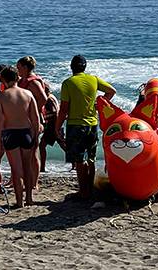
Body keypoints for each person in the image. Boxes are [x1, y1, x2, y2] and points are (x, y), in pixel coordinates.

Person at [55, 54, 116, 200]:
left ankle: (84, 192)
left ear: (71, 67)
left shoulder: (68, 83)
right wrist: (98, 103)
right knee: (91, 158)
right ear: (85, 67)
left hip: (76, 126)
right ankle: (90, 189)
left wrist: (57, 127)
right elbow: (111, 91)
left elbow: (63, 109)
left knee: (79, 160)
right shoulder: (93, 79)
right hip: (93, 125)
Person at [0, 66, 41, 208]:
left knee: (16, 169)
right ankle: (29, 199)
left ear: (3, 79)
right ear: (17, 78)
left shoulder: (1, 96)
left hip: (10, 134)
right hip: (26, 132)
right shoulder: (27, 94)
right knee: (27, 167)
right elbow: (36, 118)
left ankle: (19, 202)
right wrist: (35, 135)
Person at [16, 56, 47, 184]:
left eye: (19, 67)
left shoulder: (33, 82)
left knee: (34, 151)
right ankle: (26, 180)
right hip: (23, 120)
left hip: (33, 119)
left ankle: (34, 183)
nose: (17, 70)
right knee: (24, 152)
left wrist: (33, 111)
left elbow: (43, 98)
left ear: (25, 67)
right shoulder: (22, 80)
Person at [39, 83, 62, 172]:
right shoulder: (51, 97)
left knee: (42, 146)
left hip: (53, 125)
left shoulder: (49, 99)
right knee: (63, 144)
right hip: (54, 125)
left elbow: (55, 113)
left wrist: (56, 128)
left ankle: (42, 168)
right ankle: (74, 164)